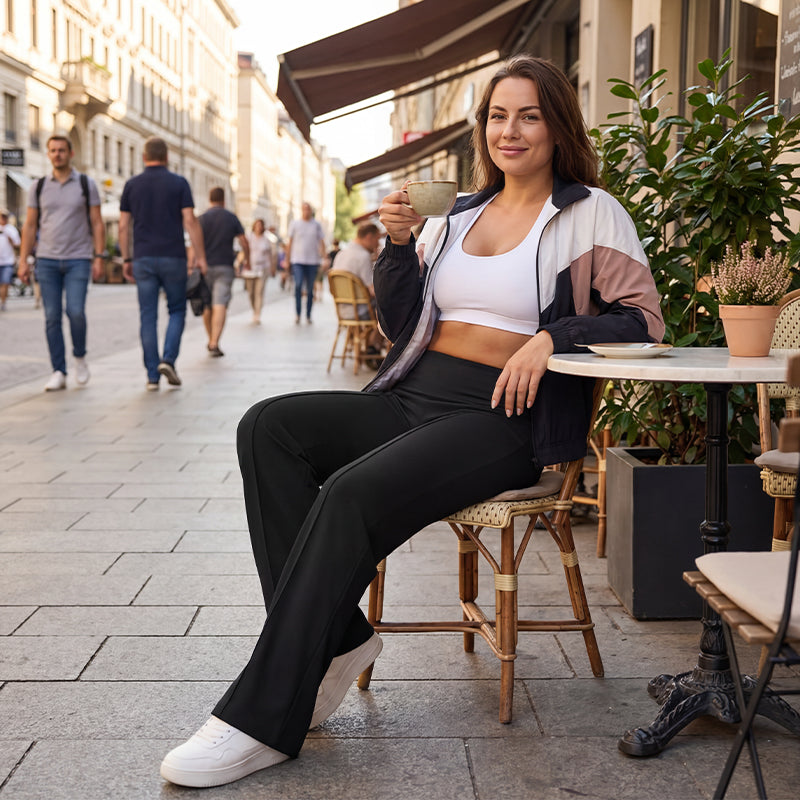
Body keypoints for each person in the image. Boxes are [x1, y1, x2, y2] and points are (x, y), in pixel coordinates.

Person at [159, 55, 665, 789]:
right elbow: (403, 325)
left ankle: (260, 719)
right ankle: (339, 640)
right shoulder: (457, 213)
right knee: (267, 428)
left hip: (506, 416)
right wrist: (398, 246)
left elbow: (644, 319)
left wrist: (554, 337)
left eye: (528, 114)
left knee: (350, 494)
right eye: (497, 115)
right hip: (416, 393)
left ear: (557, 125)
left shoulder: (589, 211)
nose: (510, 130)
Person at [17, 135, 105, 391]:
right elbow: (30, 225)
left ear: (71, 153)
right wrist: (23, 260)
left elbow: (98, 223)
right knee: (51, 317)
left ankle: (79, 356)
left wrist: (99, 257)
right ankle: (58, 370)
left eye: (62, 150)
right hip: (47, 260)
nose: (57, 154)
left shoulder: (87, 184)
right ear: (48, 154)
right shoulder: (39, 186)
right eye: (53, 151)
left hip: (79, 258)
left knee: (75, 311)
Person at [119, 136, 207, 390]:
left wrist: (126, 257)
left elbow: (124, 226)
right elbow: (190, 220)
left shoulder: (132, 185)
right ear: (167, 157)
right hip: (173, 256)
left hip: (143, 257)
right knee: (177, 309)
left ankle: (151, 376)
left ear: (144, 157)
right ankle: (168, 359)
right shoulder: (179, 183)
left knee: (148, 315)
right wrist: (200, 256)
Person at [198, 187, 250, 355]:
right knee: (220, 304)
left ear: (210, 199)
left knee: (207, 306)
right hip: (225, 266)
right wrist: (245, 259)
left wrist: (193, 263)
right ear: (224, 199)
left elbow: (194, 243)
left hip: (205, 267)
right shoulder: (231, 217)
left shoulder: (202, 219)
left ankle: (211, 339)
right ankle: (214, 342)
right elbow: (244, 241)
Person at [332, 222, 385, 358]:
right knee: (389, 306)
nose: (378, 244)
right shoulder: (362, 256)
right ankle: (374, 345)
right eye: (377, 239)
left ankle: (368, 344)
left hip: (343, 309)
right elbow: (373, 291)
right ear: (368, 237)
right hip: (359, 311)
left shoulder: (341, 254)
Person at [287, 201, 327, 324]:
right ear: (301, 210)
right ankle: (298, 314)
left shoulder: (316, 225)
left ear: (311, 211)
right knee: (298, 286)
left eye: (308, 209)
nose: (306, 211)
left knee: (310, 289)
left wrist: (325, 258)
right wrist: (287, 260)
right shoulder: (295, 224)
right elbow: (290, 242)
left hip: (312, 261)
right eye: (304, 209)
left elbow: (321, 242)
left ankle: (308, 314)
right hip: (297, 260)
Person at [243, 218, 273, 324]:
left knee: (259, 292)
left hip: (262, 268)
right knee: (251, 292)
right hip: (250, 268)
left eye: (261, 225)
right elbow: (243, 251)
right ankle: (254, 309)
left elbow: (270, 254)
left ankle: (257, 313)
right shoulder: (249, 237)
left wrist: (272, 268)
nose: (259, 227)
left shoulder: (266, 239)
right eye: (257, 225)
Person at [0, 209, 20, 312]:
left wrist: (11, 241)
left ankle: (3, 302)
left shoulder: (11, 230)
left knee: (5, 282)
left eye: (5, 216)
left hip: (8, 261)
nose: (3, 218)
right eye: (1, 216)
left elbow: (18, 245)